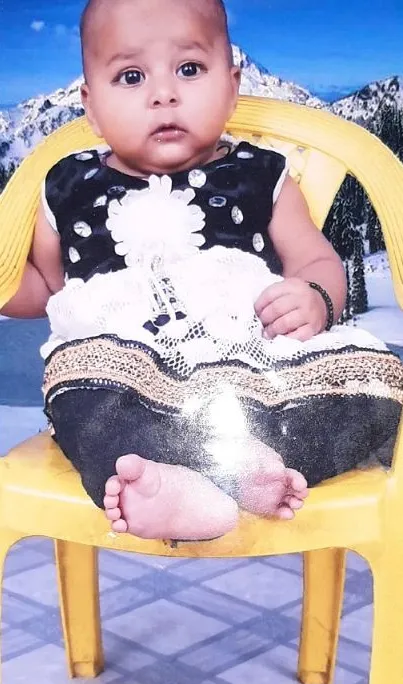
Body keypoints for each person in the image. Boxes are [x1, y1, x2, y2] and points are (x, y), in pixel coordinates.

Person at [2, 0, 402, 541]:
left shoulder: (260, 176)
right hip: (122, 373)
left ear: (231, 86)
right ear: (90, 107)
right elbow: (45, 288)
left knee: (368, 394)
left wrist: (314, 295)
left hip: (252, 364)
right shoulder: (68, 186)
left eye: (189, 69)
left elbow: (316, 258)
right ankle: (162, 484)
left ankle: (246, 469)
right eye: (131, 76)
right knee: (85, 405)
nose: (163, 93)